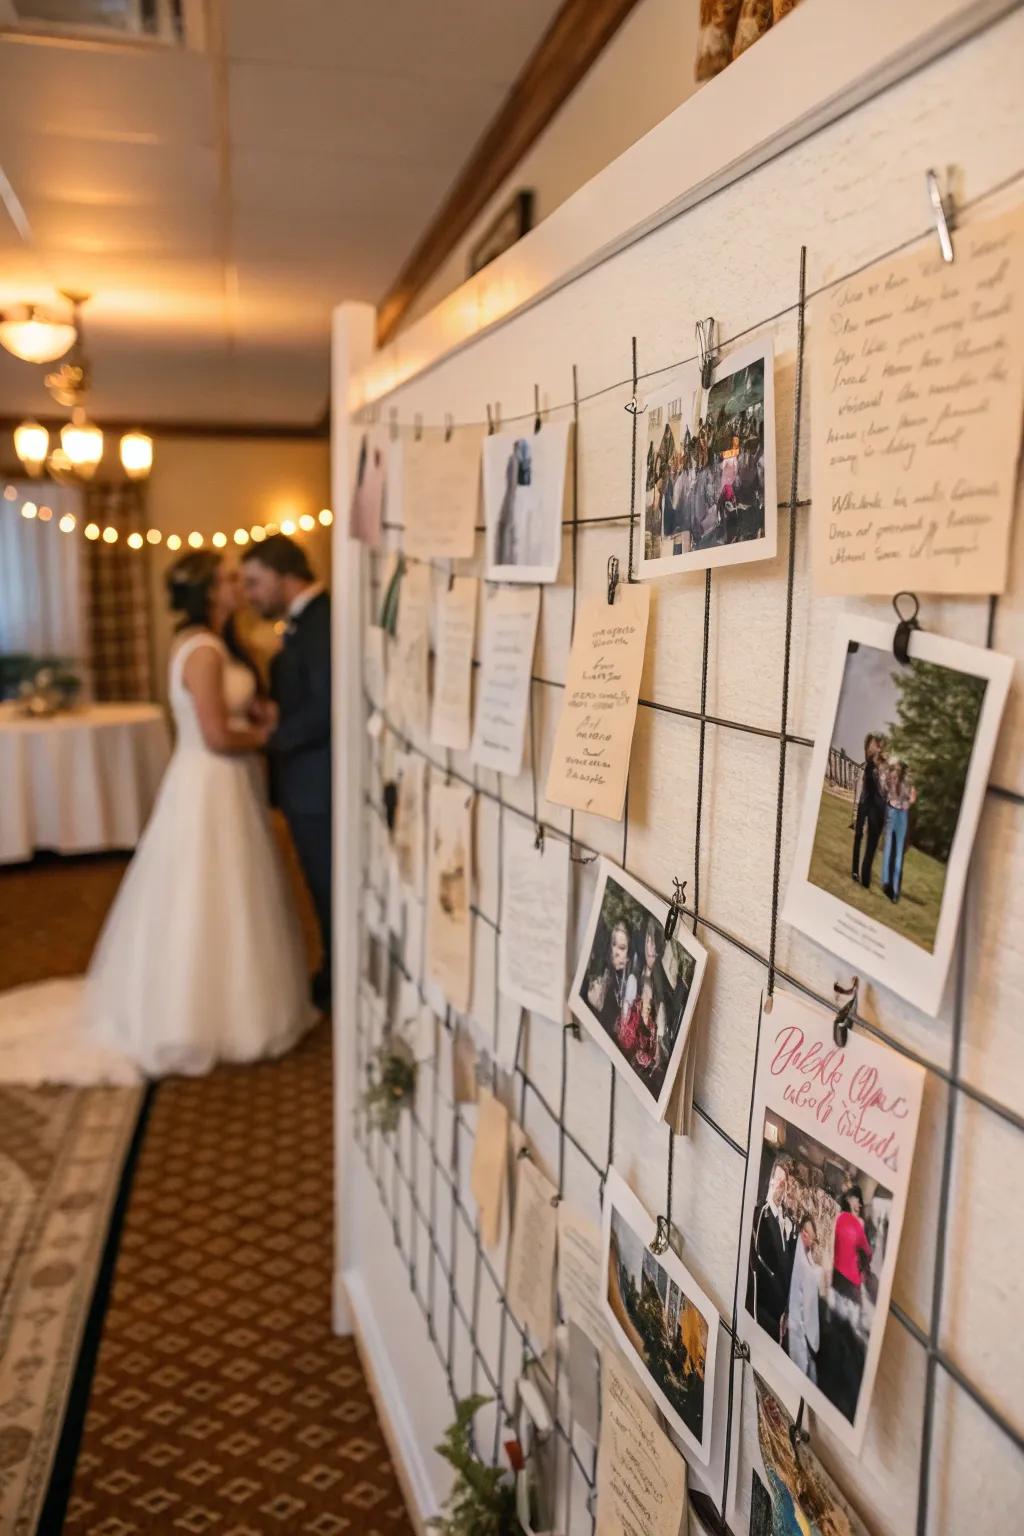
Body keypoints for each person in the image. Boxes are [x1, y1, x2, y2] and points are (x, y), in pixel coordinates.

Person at [0, 551, 315, 1082]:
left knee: (229, 891)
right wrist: (271, 738)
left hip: (227, 783)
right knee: (206, 892)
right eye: (228, 579)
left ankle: (227, 1000)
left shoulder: (220, 645)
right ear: (209, 592)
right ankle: (193, 1014)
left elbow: (230, 714)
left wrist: (258, 713)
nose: (238, 585)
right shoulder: (203, 651)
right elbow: (216, 737)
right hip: (210, 780)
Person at [241, 535, 332, 1012]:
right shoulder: (303, 624)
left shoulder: (321, 623)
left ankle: (336, 979)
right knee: (317, 884)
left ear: (283, 574)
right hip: (304, 783)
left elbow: (328, 706)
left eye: (255, 582)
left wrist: (271, 739)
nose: (250, 594)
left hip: (319, 785)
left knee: (326, 884)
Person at [746, 1157, 796, 1343]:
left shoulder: (788, 1224)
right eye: (779, 1180)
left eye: (785, 1182)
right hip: (764, 1311)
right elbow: (760, 1265)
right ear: (771, 1181)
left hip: (780, 1314)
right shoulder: (760, 1217)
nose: (781, 1186)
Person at [585, 918, 636, 1041]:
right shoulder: (603, 976)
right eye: (614, 944)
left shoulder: (631, 980)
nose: (616, 952)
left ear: (629, 953)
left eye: (622, 947)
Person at [786, 1213, 822, 1381]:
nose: (808, 1239)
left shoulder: (806, 1258)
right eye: (807, 1234)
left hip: (801, 1329)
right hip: (796, 1328)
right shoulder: (797, 1254)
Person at [851, 735, 888, 890]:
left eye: (877, 746)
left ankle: (865, 878)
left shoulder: (885, 766)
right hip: (865, 803)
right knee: (859, 836)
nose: (875, 748)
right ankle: (855, 871)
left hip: (878, 808)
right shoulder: (867, 765)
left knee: (872, 843)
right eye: (872, 746)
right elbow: (861, 788)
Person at [882, 761, 916, 902]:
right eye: (895, 769)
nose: (896, 772)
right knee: (889, 849)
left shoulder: (907, 784)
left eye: (899, 770)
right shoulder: (890, 779)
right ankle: (886, 884)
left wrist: (909, 801)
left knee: (898, 853)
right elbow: (885, 788)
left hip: (902, 815)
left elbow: (912, 798)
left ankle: (895, 891)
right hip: (892, 812)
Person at [832, 1186, 873, 1306]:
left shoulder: (840, 1217)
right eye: (856, 1199)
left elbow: (867, 1251)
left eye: (859, 1201)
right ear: (848, 1199)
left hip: (841, 1275)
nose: (858, 1204)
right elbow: (867, 1252)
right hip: (846, 1277)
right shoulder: (854, 1221)